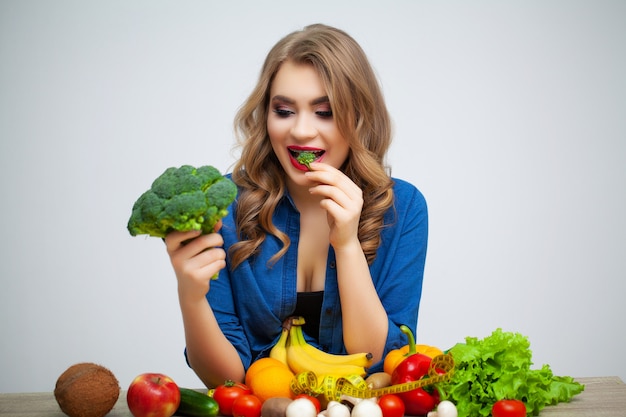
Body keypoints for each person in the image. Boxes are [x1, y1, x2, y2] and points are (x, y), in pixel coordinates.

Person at [164, 23, 428, 389]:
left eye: (325, 112)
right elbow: (224, 379)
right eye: (284, 111)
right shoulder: (223, 208)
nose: (301, 131)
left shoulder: (403, 209)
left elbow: (380, 362)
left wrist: (347, 244)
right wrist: (190, 295)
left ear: (360, 117)